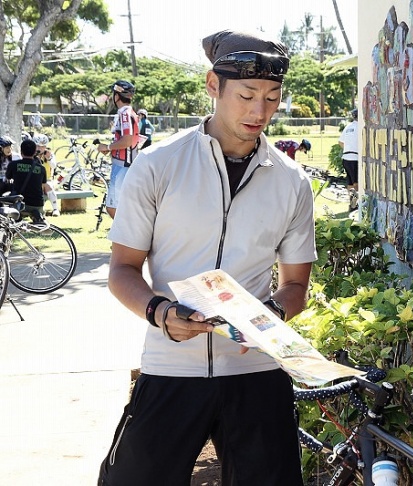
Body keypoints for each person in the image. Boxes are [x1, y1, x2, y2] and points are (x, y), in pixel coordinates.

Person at [97, 29, 315, 486]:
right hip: (171, 364)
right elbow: (121, 270)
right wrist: (160, 312)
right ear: (213, 85)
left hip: (256, 370)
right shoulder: (158, 166)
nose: (260, 111)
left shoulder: (292, 180)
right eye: (247, 95)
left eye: (272, 98)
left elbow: (296, 286)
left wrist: (268, 315)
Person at [96, 80, 140, 219]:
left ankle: (126, 237)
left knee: (113, 207)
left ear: (117, 96)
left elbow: (127, 141)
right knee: (120, 206)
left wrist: (107, 147)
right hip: (125, 164)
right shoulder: (128, 112)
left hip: (123, 166)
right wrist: (112, 148)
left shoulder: (125, 114)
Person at [5, 139, 46, 222]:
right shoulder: (41, 168)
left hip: (20, 203)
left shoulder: (13, 165)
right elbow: (43, 185)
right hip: (37, 204)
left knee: (9, 196)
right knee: (35, 205)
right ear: (35, 152)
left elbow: (8, 178)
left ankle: (18, 216)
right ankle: (36, 214)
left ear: (21, 151)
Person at [33, 133, 60, 217]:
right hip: (34, 180)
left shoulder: (49, 154)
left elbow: (53, 165)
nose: (40, 148)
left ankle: (55, 209)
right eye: (38, 146)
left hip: (47, 179)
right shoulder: (31, 154)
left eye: (42, 146)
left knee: (47, 185)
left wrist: (49, 158)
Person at [339, 108, 359, 210]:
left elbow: (341, 142)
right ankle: (355, 204)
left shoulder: (348, 127)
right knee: (357, 183)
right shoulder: (360, 127)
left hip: (346, 157)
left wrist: (348, 148)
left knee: (350, 182)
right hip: (355, 158)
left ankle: (351, 204)